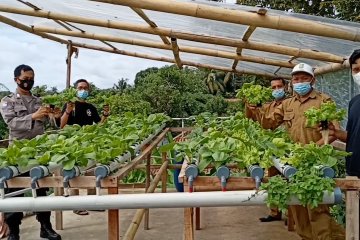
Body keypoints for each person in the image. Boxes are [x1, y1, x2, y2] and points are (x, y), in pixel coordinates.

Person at [248, 63, 344, 240]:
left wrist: (313, 149)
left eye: (304, 78)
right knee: (298, 209)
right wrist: (256, 109)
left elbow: (332, 133)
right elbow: (267, 124)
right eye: (296, 78)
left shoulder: (324, 101)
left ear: (312, 80)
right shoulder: (287, 104)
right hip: (293, 164)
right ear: (292, 82)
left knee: (318, 210)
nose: (300, 82)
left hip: (316, 163)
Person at [0, 64, 61, 240]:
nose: (29, 82)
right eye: (25, 79)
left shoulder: (39, 101)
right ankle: (14, 231)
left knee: (42, 189)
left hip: (39, 152)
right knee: (16, 190)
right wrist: (33, 116)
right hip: (18, 154)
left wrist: (54, 116)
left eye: (31, 79)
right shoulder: (7, 101)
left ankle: (45, 227)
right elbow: (11, 123)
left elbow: (50, 125)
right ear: (16, 80)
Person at [60, 79, 109, 215]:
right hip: (72, 143)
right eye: (80, 88)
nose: (83, 90)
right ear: (75, 89)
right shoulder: (69, 105)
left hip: (88, 142)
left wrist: (105, 115)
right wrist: (68, 111)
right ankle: (76, 205)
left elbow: (99, 124)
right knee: (73, 171)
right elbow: (61, 125)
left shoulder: (90, 108)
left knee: (92, 170)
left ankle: (92, 202)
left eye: (85, 88)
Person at [245, 78, 287, 222]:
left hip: (287, 147)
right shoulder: (268, 106)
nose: (276, 89)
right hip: (272, 147)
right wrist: (250, 106)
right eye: (274, 87)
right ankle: (275, 212)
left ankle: (293, 215)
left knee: (290, 178)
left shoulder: (290, 104)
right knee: (273, 179)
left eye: (279, 86)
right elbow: (255, 119)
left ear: (286, 87)